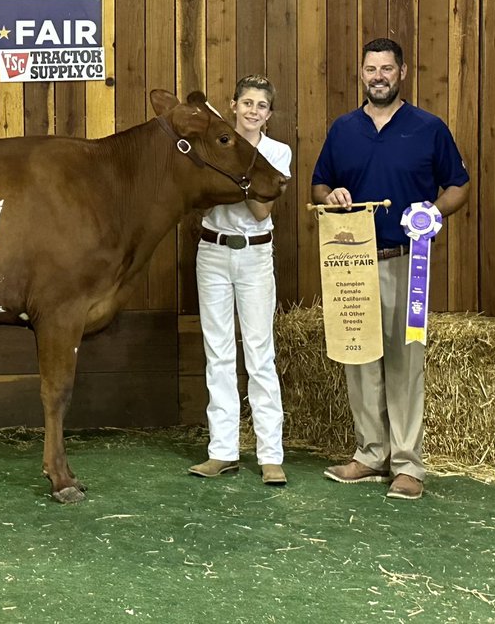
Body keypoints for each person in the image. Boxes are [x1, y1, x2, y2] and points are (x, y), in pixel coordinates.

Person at [311, 37, 470, 500]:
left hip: (408, 259)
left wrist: (432, 216)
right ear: (361, 74)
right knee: (358, 357)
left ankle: (408, 464)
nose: (377, 76)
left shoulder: (428, 127)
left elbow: (458, 186)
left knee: (405, 361)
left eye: (386, 68)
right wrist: (331, 197)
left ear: (402, 72)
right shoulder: (343, 129)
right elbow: (320, 183)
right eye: (370, 69)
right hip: (352, 262)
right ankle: (369, 452)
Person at [189, 75, 292, 486]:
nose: (253, 111)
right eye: (246, 103)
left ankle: (270, 455)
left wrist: (237, 172)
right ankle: (223, 451)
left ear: (269, 114)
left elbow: (261, 210)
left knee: (259, 353)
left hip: (254, 253)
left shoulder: (276, 152)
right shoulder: (216, 146)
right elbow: (200, 193)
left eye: (261, 106)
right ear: (232, 106)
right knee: (218, 352)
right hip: (212, 250)